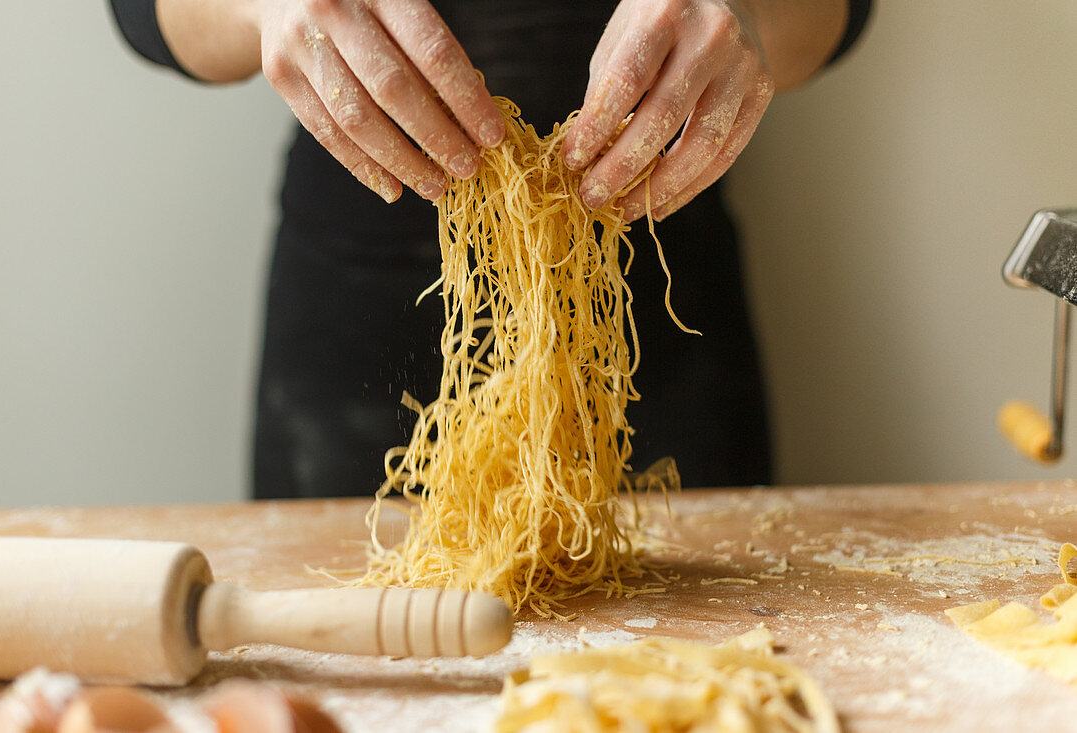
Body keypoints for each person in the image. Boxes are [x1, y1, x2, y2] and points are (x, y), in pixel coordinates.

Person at [109, 0, 871, 499]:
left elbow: (842, 14)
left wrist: (752, 11)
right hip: (353, 351)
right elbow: (142, 15)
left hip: (656, 333)